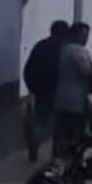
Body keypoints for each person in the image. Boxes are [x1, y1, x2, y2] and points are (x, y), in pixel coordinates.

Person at [21, 20, 70, 162]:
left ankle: (35, 138)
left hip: (41, 89)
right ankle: (45, 144)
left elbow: (28, 69)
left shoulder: (40, 46)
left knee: (42, 117)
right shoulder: (64, 49)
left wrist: (33, 88)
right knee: (56, 122)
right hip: (57, 90)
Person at [53, 22, 92, 159]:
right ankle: (72, 154)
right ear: (75, 35)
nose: (86, 39)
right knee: (76, 128)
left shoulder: (64, 49)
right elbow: (88, 72)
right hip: (76, 97)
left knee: (61, 128)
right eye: (83, 35)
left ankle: (59, 154)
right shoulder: (77, 52)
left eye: (87, 36)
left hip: (62, 95)